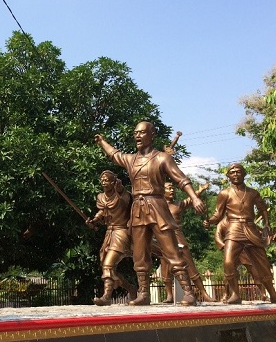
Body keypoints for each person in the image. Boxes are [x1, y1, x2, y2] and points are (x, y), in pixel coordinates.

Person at [95, 122, 206, 306]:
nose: (138, 136)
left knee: (171, 249)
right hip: (138, 209)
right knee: (139, 253)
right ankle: (144, 293)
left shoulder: (162, 158)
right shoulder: (131, 159)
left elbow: (181, 179)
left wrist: (194, 197)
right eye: (135, 133)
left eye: (142, 133)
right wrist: (102, 142)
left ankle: (188, 292)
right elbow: (114, 154)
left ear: (152, 135)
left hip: (157, 206)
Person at [204, 163, 276, 304]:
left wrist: (267, 224)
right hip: (234, 228)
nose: (235, 174)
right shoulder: (225, 193)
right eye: (232, 172)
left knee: (262, 262)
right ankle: (235, 294)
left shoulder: (252, 193)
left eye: (238, 171)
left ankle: (273, 294)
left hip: (251, 228)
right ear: (228, 176)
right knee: (228, 262)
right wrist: (209, 221)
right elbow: (218, 214)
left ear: (244, 174)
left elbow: (263, 208)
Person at [85, 170, 137, 305]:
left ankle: (107, 296)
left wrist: (120, 188)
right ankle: (131, 288)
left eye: (107, 180)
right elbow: (103, 211)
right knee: (106, 265)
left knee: (108, 264)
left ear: (113, 182)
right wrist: (94, 220)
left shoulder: (122, 195)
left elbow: (125, 201)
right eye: (102, 180)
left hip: (121, 232)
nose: (104, 182)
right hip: (109, 233)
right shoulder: (100, 197)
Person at [161, 181, 215, 303]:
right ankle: (169, 295)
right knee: (165, 266)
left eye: (173, 188)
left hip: (178, 237)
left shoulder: (178, 205)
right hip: (163, 238)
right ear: (162, 191)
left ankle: (204, 293)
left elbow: (190, 201)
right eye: (169, 188)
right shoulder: (158, 206)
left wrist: (201, 190)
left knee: (189, 265)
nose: (172, 190)